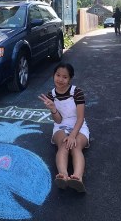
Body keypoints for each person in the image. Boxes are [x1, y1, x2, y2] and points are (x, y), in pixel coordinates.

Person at [38, 63, 89, 193]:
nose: (60, 79)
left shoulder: (77, 92)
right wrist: (53, 109)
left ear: (70, 79)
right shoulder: (51, 96)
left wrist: (72, 135)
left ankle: (78, 178)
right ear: (53, 75)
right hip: (60, 126)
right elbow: (58, 120)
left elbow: (80, 117)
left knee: (75, 146)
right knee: (63, 145)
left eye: (64, 77)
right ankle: (63, 175)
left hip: (78, 125)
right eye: (58, 75)